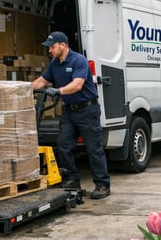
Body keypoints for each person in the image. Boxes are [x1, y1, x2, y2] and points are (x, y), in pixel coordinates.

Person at [32, 31, 111, 199]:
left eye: (52, 47)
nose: (50, 50)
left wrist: (58, 90)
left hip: (87, 110)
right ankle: (72, 179)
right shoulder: (54, 64)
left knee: (93, 148)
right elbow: (41, 82)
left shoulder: (78, 60)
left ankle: (102, 184)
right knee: (63, 144)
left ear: (63, 45)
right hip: (69, 111)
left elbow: (77, 85)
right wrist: (19, 89)